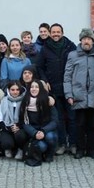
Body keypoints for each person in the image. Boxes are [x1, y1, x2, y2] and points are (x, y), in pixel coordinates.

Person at [35, 23, 76, 155]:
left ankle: (74, 144)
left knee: (72, 117)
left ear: (62, 33)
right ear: (50, 33)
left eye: (58, 32)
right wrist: (44, 81)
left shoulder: (71, 46)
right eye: (53, 32)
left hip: (69, 88)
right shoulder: (45, 48)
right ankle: (62, 144)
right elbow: (39, 67)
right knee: (58, 118)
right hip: (53, 89)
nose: (56, 34)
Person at [64, 28, 94, 159]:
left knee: (93, 125)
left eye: (89, 39)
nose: (87, 41)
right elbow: (67, 76)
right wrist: (69, 94)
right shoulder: (73, 55)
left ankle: (92, 149)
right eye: (84, 39)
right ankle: (80, 149)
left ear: (93, 41)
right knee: (79, 124)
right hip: (78, 95)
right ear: (80, 40)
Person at [20, 80, 58, 166]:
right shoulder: (25, 102)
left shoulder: (48, 101)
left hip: (47, 130)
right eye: (32, 87)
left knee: (51, 137)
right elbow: (24, 122)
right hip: (34, 133)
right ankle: (40, 154)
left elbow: (55, 121)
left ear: (40, 89)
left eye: (36, 87)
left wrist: (44, 131)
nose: (34, 89)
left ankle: (50, 154)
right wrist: (35, 133)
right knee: (41, 146)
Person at [0, 81, 28, 160]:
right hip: (7, 127)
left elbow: (27, 117)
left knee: (20, 136)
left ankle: (20, 149)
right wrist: (8, 128)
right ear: (9, 90)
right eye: (12, 90)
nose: (15, 92)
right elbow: (0, 118)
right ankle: (9, 148)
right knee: (6, 143)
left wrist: (18, 126)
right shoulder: (3, 101)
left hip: (20, 127)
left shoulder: (25, 101)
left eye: (17, 89)